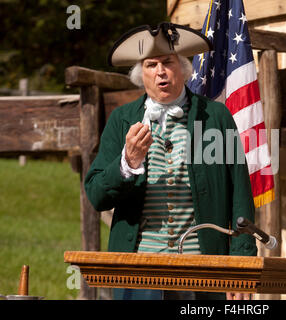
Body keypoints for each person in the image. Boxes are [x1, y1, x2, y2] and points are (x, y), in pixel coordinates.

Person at [84, 22, 257, 300]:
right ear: (142, 74)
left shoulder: (215, 117)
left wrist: (241, 266)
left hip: (202, 269)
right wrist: (126, 162)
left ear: (184, 69)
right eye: (151, 65)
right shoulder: (122, 120)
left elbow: (240, 194)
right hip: (139, 270)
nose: (160, 72)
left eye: (168, 62)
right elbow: (96, 195)